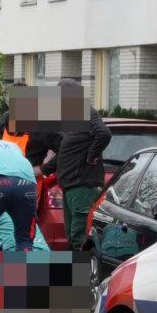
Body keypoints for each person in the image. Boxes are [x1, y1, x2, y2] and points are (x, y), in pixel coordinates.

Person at [52, 106, 109, 252]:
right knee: (73, 237)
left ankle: (83, 274)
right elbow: (65, 152)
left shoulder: (85, 112)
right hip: (72, 188)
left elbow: (104, 133)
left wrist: (91, 155)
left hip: (82, 187)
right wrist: (44, 169)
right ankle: (76, 273)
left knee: (80, 238)